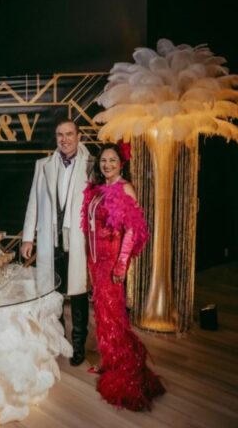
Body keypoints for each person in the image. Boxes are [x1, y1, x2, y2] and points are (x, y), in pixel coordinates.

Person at [81, 142, 165, 410]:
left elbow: (132, 230)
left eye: (112, 161)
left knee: (114, 316)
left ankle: (124, 367)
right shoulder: (97, 190)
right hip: (95, 261)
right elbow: (90, 228)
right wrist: (88, 262)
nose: (107, 165)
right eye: (104, 161)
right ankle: (110, 362)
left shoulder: (124, 188)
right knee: (103, 316)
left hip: (111, 262)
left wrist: (121, 265)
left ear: (121, 164)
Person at [21, 119, 92, 366]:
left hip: (79, 239)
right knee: (53, 293)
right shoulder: (43, 165)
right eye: (60, 135)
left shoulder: (91, 165)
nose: (64, 139)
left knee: (79, 292)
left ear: (78, 136)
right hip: (51, 239)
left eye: (69, 134)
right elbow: (34, 203)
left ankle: (80, 344)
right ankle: (59, 340)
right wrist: (28, 237)